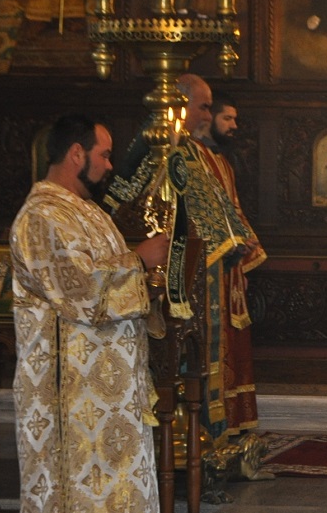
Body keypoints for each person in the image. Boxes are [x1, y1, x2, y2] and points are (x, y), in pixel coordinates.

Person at [10, 115, 171, 513]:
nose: (109, 163)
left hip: (110, 393)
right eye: (103, 154)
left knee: (115, 489)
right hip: (68, 394)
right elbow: (80, 289)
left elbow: (114, 277)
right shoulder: (41, 216)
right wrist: (140, 257)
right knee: (76, 489)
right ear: (75, 154)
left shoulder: (87, 213)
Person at [107, 74, 265, 441]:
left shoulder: (197, 153)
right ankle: (182, 430)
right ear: (179, 107)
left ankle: (206, 432)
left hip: (201, 270)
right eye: (204, 107)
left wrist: (233, 242)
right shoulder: (160, 148)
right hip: (166, 272)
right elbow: (132, 198)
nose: (208, 116)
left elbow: (215, 210)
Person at [176, 74, 267, 438]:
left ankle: (232, 429)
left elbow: (232, 212)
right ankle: (210, 432)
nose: (232, 125)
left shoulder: (219, 162)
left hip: (227, 270)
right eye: (223, 116)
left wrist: (245, 252)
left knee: (234, 347)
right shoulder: (183, 155)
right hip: (202, 272)